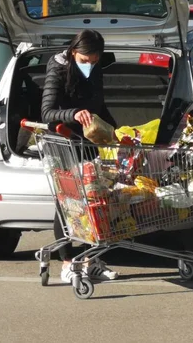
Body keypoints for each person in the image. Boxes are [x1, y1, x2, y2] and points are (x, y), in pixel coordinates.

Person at [41, 29, 119, 283]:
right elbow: (48, 112)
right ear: (74, 52)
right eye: (85, 61)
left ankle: (90, 260)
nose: (89, 65)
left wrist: (116, 130)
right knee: (68, 204)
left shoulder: (95, 67)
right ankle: (67, 263)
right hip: (63, 143)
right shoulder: (59, 68)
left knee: (94, 202)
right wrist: (73, 114)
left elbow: (99, 105)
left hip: (87, 142)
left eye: (94, 61)